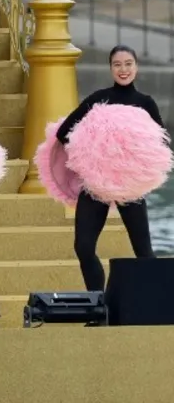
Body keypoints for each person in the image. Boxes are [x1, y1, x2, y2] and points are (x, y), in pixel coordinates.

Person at [57, 45, 160, 291]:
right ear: (110, 68)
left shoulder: (145, 103)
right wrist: (91, 158)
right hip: (97, 184)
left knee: (143, 251)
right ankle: (98, 305)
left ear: (136, 67)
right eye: (117, 64)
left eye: (128, 63)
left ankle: (160, 305)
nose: (123, 69)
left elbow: (159, 148)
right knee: (83, 247)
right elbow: (64, 133)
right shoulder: (97, 100)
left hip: (130, 186)